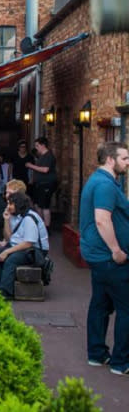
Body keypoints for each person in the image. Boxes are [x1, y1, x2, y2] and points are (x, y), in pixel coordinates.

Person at [79, 142, 129, 374]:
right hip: (108, 257)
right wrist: (116, 250)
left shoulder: (103, 182)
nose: (127, 163)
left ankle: (97, 354)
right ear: (111, 159)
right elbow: (102, 219)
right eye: (125, 158)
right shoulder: (104, 184)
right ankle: (121, 362)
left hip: (99, 256)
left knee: (101, 303)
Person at [0, 192, 49, 299]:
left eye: (10, 204)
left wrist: (7, 251)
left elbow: (28, 242)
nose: (8, 207)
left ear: (19, 204)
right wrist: (6, 220)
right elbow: (9, 238)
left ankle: (6, 292)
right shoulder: (14, 216)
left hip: (34, 251)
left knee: (11, 259)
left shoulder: (29, 218)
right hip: (17, 246)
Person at [26, 137, 58, 227]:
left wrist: (31, 166)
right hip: (40, 184)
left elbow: (45, 169)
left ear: (43, 145)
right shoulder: (42, 156)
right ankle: (41, 224)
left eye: (37, 145)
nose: (36, 148)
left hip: (47, 184)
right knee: (37, 205)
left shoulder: (48, 156)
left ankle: (46, 226)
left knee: (45, 205)